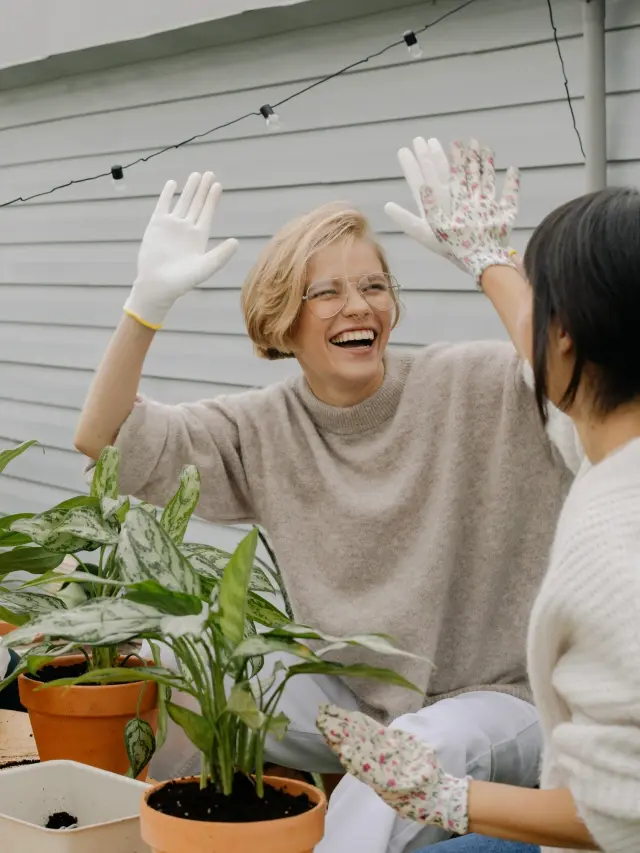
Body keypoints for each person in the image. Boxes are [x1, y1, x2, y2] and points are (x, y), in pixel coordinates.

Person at [74, 140, 581, 853]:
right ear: (281, 318)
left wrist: (487, 259)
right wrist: (146, 306)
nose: (360, 305)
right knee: (204, 667)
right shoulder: (262, 426)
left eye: (374, 285)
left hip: (498, 700)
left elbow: (580, 384)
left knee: (406, 755)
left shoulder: (476, 381)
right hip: (358, 696)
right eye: (329, 290)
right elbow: (105, 440)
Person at [317, 144, 640, 853]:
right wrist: (487, 257)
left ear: (566, 334)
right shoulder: (609, 447)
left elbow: (621, 813)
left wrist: (444, 794)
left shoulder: (616, 553)